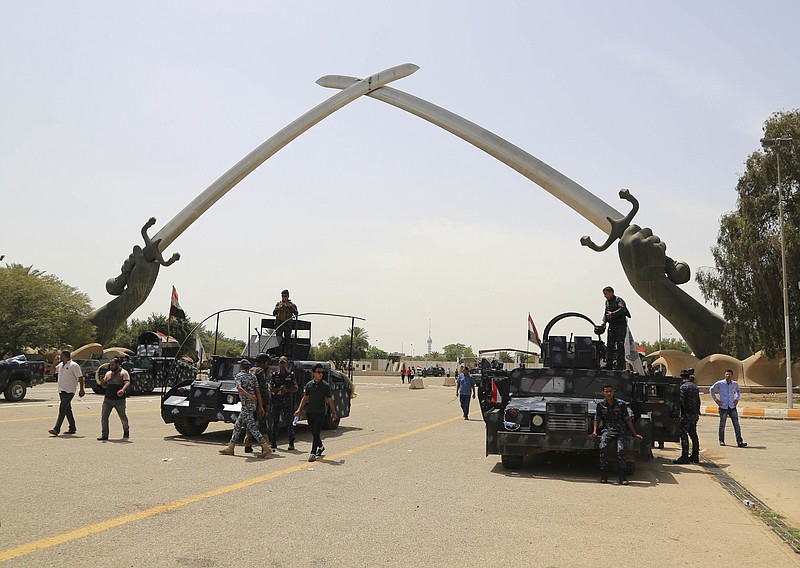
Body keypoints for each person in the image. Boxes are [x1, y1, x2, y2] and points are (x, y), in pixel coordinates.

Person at [589, 384, 643, 485]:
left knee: (621, 450)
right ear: (603, 393)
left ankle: (622, 477)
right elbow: (597, 418)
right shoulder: (600, 405)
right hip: (608, 430)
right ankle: (604, 476)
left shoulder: (621, 404)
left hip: (620, 431)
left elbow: (628, 420)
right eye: (606, 391)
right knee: (603, 447)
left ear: (613, 392)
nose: (609, 393)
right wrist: (595, 431)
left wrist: (635, 434)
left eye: (610, 391)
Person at [219, 359, 272, 458]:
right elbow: (258, 392)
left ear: (241, 366)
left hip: (246, 404)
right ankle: (231, 447)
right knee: (238, 425)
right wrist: (260, 406)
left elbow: (239, 388)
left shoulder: (239, 376)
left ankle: (266, 447)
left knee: (252, 427)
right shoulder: (253, 377)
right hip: (253, 404)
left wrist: (249, 395)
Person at [295, 363, 337, 462]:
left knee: (316, 431)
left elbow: (330, 399)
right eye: (318, 372)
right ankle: (321, 447)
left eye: (322, 372)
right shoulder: (309, 385)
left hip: (320, 411)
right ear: (313, 373)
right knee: (314, 432)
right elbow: (305, 399)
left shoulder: (325, 386)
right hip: (310, 411)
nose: (320, 374)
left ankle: (313, 453)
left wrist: (333, 412)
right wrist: (299, 410)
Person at [49, 350, 85, 436]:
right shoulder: (61, 365)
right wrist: (54, 364)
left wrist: (81, 389)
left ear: (65, 356)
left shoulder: (74, 365)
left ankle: (56, 429)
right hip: (61, 390)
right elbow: (52, 372)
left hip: (70, 390)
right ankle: (72, 427)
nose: (60, 357)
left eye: (61, 356)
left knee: (62, 408)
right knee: (67, 410)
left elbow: (80, 377)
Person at [596, 286, 630, 370]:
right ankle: (609, 364)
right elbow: (606, 313)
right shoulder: (607, 302)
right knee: (609, 346)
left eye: (606, 294)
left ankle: (620, 365)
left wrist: (613, 314)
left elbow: (623, 309)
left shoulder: (619, 300)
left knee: (619, 345)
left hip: (620, 326)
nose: (605, 296)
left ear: (611, 293)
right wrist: (604, 322)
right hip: (612, 326)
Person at [710, 369, 747, 447]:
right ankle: (721, 440)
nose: (728, 376)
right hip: (723, 407)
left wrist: (737, 399)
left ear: (732, 375)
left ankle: (739, 441)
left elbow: (738, 391)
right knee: (722, 424)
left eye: (729, 374)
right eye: (726, 374)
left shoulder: (734, 384)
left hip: (732, 406)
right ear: (724, 375)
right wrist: (716, 400)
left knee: (736, 424)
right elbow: (711, 389)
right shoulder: (720, 383)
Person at [98, 356, 131, 441]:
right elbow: (104, 386)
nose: (111, 366)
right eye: (110, 365)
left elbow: (127, 382)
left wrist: (123, 390)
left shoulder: (124, 373)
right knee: (104, 417)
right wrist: (102, 383)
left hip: (119, 400)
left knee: (123, 417)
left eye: (113, 365)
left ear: (118, 364)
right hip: (108, 400)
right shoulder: (108, 373)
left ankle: (126, 430)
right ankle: (104, 435)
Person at [269, 356, 298, 450]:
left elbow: (296, 388)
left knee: (289, 422)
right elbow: (270, 388)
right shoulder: (274, 374)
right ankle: (273, 442)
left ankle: (291, 443)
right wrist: (279, 389)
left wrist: (286, 390)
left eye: (284, 362)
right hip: (276, 401)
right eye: (281, 362)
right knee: (275, 422)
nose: (282, 364)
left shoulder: (291, 375)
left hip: (287, 401)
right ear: (278, 364)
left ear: (286, 363)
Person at [243, 354, 270, 454]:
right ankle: (265, 446)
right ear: (264, 362)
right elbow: (263, 389)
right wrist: (266, 403)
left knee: (250, 422)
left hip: (249, 401)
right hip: (258, 402)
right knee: (262, 424)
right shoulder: (260, 372)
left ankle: (247, 444)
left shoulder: (250, 370)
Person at [673, 369, 701, 464]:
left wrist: (677, 413)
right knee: (693, 434)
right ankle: (695, 455)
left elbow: (680, 401)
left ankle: (684, 456)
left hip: (686, 414)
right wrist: (697, 413)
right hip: (693, 414)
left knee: (683, 434)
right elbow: (698, 402)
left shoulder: (683, 387)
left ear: (681, 377)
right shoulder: (695, 387)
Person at [273, 289, 298, 356]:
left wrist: (290, 307)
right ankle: (278, 354)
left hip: (287, 324)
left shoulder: (292, 305)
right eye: (283, 296)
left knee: (287, 340)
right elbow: (273, 313)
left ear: (288, 296)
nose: (284, 298)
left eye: (285, 296)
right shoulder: (278, 304)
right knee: (278, 340)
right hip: (279, 323)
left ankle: (287, 355)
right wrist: (277, 309)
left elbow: (296, 313)